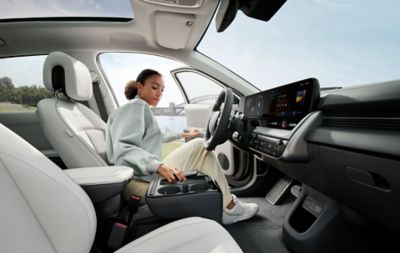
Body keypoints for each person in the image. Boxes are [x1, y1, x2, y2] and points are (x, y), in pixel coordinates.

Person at [106, 69, 258, 224]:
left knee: (202, 150)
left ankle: (226, 204)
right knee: (200, 146)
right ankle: (230, 207)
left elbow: (156, 136)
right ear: (140, 86)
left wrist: (183, 134)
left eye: (162, 89)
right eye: (154, 87)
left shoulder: (136, 108)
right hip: (138, 181)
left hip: (140, 175)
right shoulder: (135, 107)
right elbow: (124, 147)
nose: (159, 93)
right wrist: (158, 165)